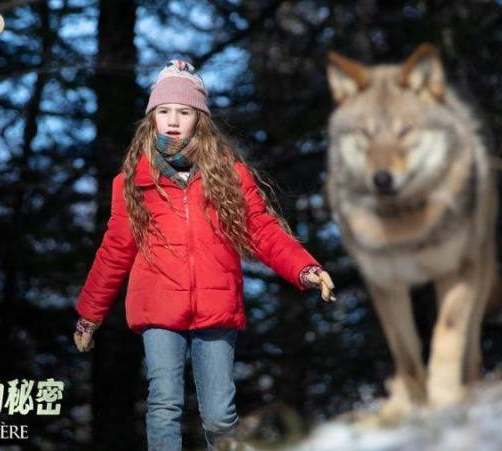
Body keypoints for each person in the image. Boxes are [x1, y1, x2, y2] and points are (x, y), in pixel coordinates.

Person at [72, 59, 336, 451]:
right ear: (152, 119)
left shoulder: (230, 176)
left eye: (184, 112)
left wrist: (306, 268)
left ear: (200, 119)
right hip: (158, 308)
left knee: (219, 414)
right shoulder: (133, 183)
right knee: (164, 404)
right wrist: (89, 316)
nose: (173, 120)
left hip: (216, 305)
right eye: (164, 111)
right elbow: (114, 251)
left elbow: (262, 231)